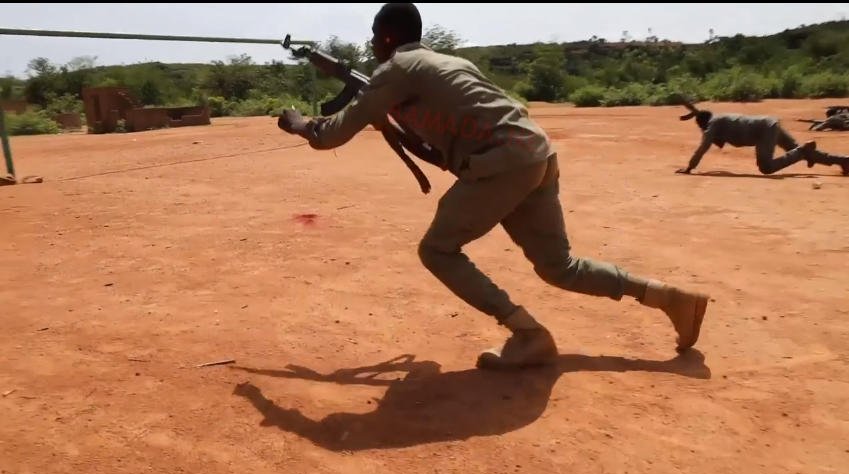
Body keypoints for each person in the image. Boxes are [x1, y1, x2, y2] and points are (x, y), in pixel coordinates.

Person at [278, 3, 710, 370]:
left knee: (437, 250)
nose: (372, 46)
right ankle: (670, 299)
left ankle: (527, 332)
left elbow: (330, 134)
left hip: (501, 164)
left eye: (374, 38)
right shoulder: (445, 62)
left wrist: (299, 123)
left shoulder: (397, 69)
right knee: (559, 266)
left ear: (388, 37)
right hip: (536, 153)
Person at [676, 101, 849, 176]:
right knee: (795, 150)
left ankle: (803, 151)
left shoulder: (713, 125)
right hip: (768, 123)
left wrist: (690, 167)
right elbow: (715, 141)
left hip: (763, 131)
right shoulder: (719, 120)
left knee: (766, 167)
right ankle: (843, 161)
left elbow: (703, 147)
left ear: (703, 124)